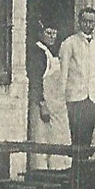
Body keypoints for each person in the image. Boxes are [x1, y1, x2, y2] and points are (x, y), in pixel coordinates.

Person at [59, 6, 95, 148]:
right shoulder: (69, 43)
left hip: (93, 100)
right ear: (79, 22)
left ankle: (84, 168)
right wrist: (61, 99)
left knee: (87, 138)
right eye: (85, 21)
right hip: (75, 99)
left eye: (91, 22)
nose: (88, 25)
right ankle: (76, 168)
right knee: (76, 137)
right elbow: (63, 73)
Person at [27, 23, 72, 170]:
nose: (52, 36)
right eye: (48, 32)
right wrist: (42, 104)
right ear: (40, 33)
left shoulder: (51, 52)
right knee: (42, 142)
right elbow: (36, 80)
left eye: (54, 33)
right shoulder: (38, 52)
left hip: (57, 106)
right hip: (44, 107)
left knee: (57, 143)